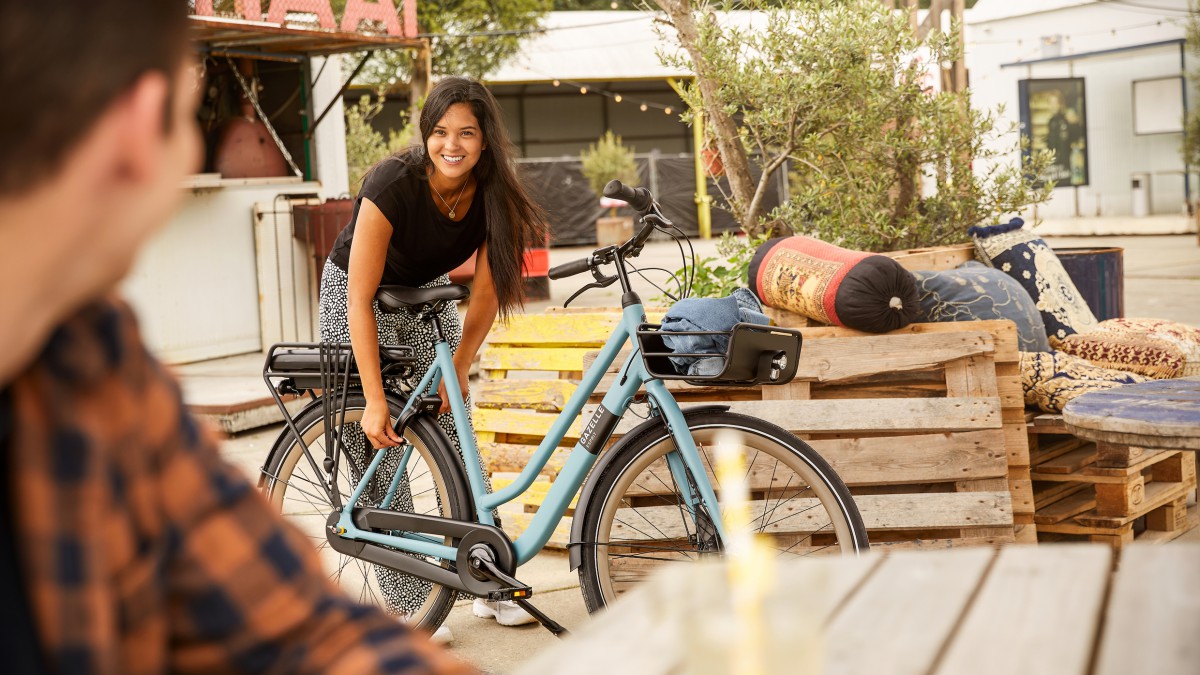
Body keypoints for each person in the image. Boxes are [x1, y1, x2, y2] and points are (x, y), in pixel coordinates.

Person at [0, 2, 472, 672]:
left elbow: (281, 618)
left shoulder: (88, 364)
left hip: (418, 316)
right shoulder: (91, 377)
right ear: (143, 130)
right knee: (378, 456)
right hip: (358, 307)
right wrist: (371, 397)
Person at [319, 77, 548, 630]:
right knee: (381, 446)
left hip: (426, 296)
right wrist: (375, 398)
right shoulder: (392, 183)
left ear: (485, 140)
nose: (453, 145)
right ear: (425, 136)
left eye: (467, 132)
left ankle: (485, 577)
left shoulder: (496, 193)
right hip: (356, 296)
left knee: (456, 432)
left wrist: (460, 367)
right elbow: (358, 294)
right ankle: (410, 604)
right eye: (441, 132)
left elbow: (489, 291)